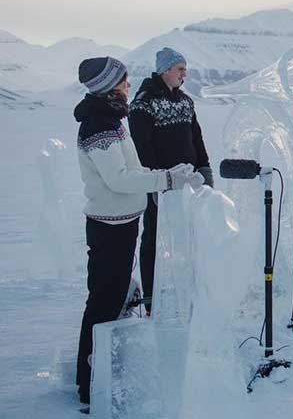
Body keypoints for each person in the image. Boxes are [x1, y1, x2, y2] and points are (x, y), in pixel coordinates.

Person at [74, 57, 204, 405]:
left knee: (112, 300)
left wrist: (167, 174)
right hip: (109, 227)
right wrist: (165, 179)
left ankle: (96, 376)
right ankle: (90, 386)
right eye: (124, 80)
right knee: (104, 303)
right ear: (108, 86)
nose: (128, 85)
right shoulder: (98, 128)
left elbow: (133, 168)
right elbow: (118, 179)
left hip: (123, 223)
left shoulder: (112, 121)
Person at [128, 47, 213, 315]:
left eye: (185, 69)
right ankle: (153, 300)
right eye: (180, 69)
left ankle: (187, 290)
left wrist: (205, 169)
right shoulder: (143, 103)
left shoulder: (186, 101)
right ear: (165, 70)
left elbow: (196, 137)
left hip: (188, 182)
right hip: (161, 184)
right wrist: (156, 182)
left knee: (188, 235)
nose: (184, 74)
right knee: (154, 237)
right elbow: (142, 147)